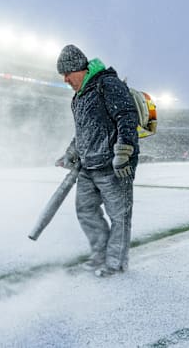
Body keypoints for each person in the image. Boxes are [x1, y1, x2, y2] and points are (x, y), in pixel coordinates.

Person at [54, 44, 139, 277]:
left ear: (76, 69)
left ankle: (115, 264)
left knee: (119, 216)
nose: (65, 80)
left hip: (114, 166)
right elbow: (83, 131)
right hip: (87, 166)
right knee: (85, 211)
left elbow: (127, 115)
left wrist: (124, 150)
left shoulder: (107, 84)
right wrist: (71, 152)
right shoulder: (78, 98)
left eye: (66, 74)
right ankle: (99, 255)